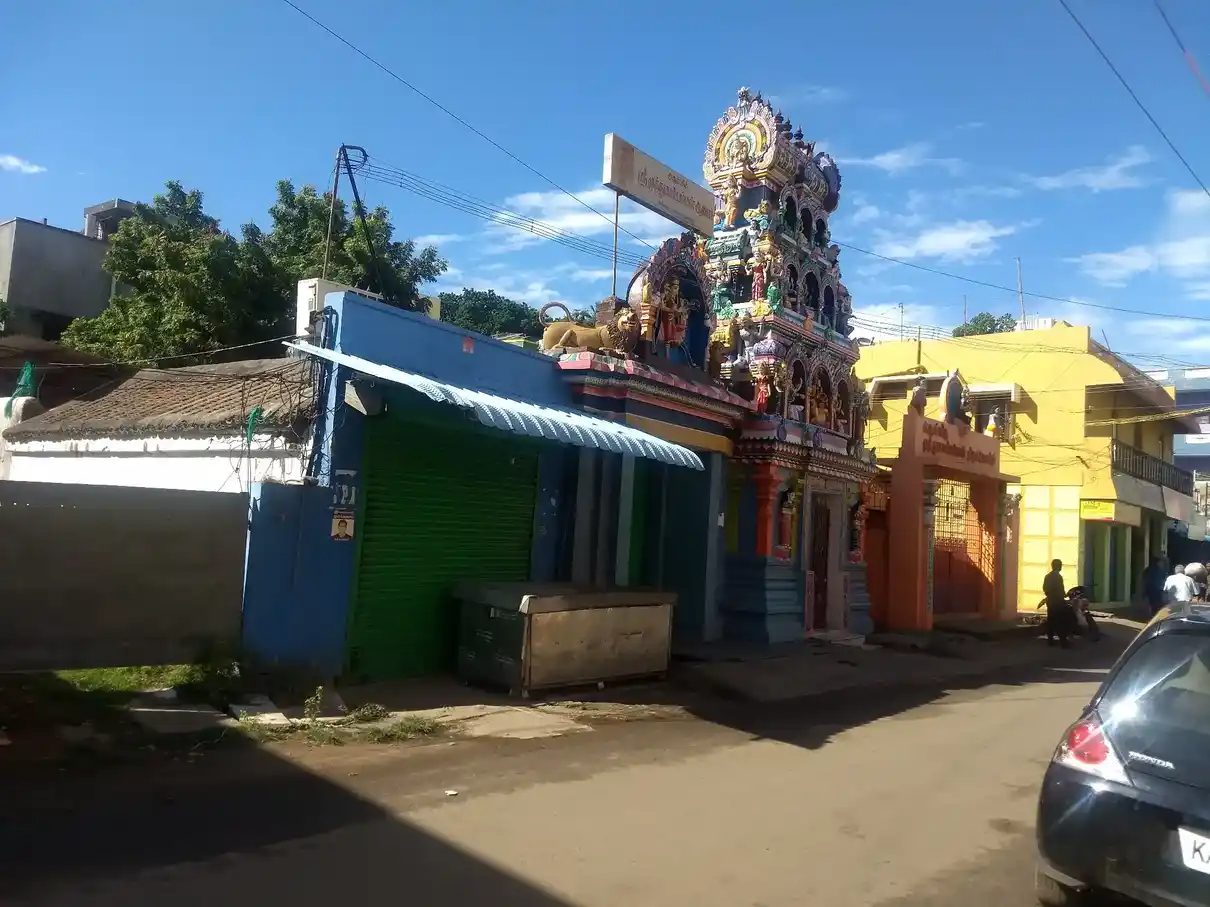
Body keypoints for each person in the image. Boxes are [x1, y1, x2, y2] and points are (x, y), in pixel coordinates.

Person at [1043, 559, 1076, 648]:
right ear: (1058, 566)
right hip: (1058, 602)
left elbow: (1045, 589)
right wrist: (1065, 596)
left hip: (1050, 602)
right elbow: (1061, 591)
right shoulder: (1058, 577)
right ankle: (1063, 642)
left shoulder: (1047, 576)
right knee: (1061, 622)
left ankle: (1050, 640)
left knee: (1051, 620)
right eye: (1060, 565)